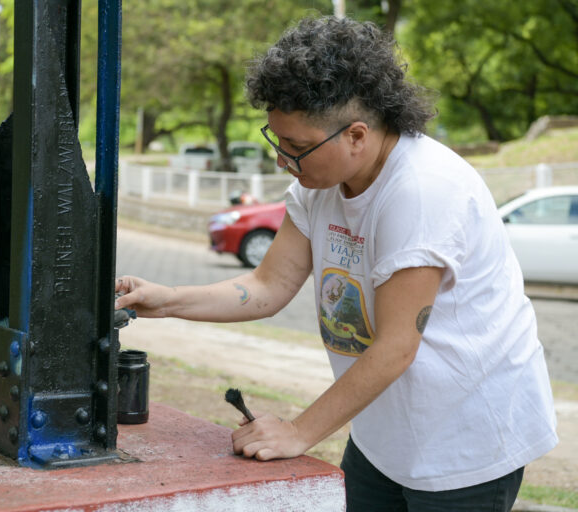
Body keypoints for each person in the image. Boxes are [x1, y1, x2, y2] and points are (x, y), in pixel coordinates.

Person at [115, 16, 558, 511]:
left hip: (466, 440)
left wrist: (299, 431)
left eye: (299, 148)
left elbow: (395, 348)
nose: (283, 159)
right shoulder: (319, 187)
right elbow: (269, 284)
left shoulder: (421, 192)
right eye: (277, 139)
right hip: (383, 434)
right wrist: (167, 299)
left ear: (357, 136)